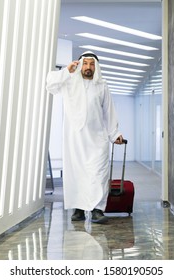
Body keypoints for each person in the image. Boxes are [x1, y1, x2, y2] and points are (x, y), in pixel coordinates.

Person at [46, 51, 124, 224]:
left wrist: (115, 134)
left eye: (92, 64)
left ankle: (97, 210)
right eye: (86, 63)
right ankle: (79, 209)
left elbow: (108, 112)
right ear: (81, 64)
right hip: (75, 141)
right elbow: (50, 84)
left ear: (96, 67)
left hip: (98, 139)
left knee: (99, 174)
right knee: (77, 174)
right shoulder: (68, 81)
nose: (88, 67)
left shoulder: (102, 85)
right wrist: (67, 70)